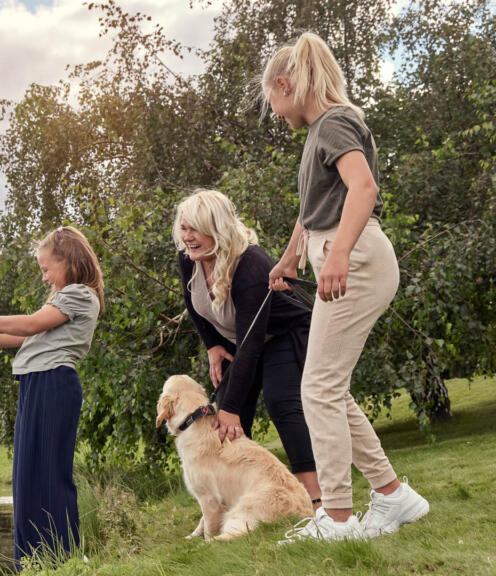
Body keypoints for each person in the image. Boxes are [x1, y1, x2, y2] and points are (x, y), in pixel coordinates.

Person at [261, 32, 429, 541]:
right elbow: (314, 210)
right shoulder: (320, 131)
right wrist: (291, 257)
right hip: (344, 252)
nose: (274, 110)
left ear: (285, 84)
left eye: (271, 99)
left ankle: (336, 518)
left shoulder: (333, 121)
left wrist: (336, 255)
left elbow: (364, 187)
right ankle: (393, 495)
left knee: (317, 389)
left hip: (355, 256)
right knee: (329, 388)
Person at [0, 225, 103, 566]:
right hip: (36, 385)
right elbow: (25, 340)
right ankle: (33, 562)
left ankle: (62, 560)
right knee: (26, 479)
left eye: (45, 268)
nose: (43, 277)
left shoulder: (79, 295)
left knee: (50, 477)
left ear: (68, 261)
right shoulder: (60, 299)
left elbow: (28, 326)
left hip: (54, 385)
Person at [174, 189, 322, 506]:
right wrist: (212, 345)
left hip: (286, 333)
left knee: (280, 401)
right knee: (218, 419)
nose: (188, 237)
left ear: (217, 227)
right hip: (240, 342)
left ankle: (315, 500)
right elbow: (193, 304)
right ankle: (237, 497)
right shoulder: (189, 260)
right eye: (184, 228)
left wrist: (232, 410)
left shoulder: (250, 264)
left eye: (195, 228)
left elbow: (252, 344)